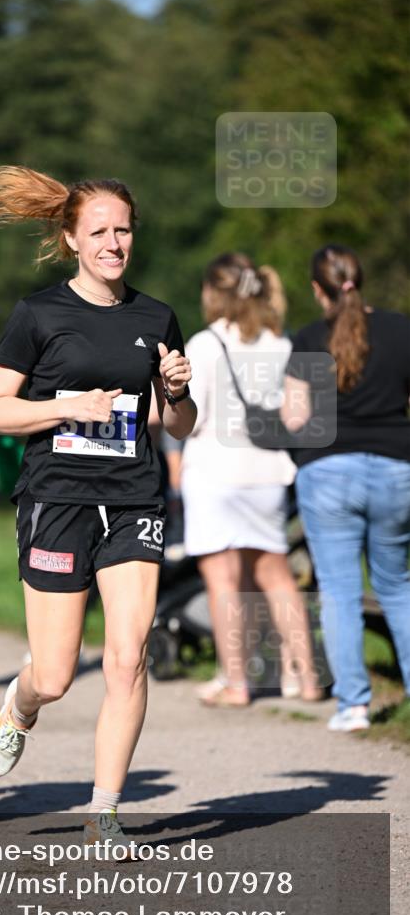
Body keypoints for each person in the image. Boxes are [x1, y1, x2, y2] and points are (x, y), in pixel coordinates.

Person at [0, 166, 196, 852]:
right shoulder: (38, 314)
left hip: (132, 497)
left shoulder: (155, 317)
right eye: (98, 231)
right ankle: (21, 702)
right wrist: (66, 404)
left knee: (127, 660)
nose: (113, 242)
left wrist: (178, 393)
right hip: (56, 498)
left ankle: (104, 812)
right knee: (57, 673)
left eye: (122, 230)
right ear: (71, 238)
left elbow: (176, 424)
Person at [181, 253, 323, 706]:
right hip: (268, 473)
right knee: (277, 576)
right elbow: (295, 414)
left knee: (223, 580)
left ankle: (236, 681)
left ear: (213, 293)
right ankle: (307, 677)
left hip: (214, 472)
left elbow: (191, 415)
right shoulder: (280, 344)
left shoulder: (205, 344)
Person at [283, 244, 410, 731]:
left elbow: (295, 418)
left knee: (338, 591)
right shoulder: (401, 329)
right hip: (397, 469)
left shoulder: (311, 337)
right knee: (396, 585)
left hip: (328, 471)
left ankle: (353, 705)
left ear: (319, 290)